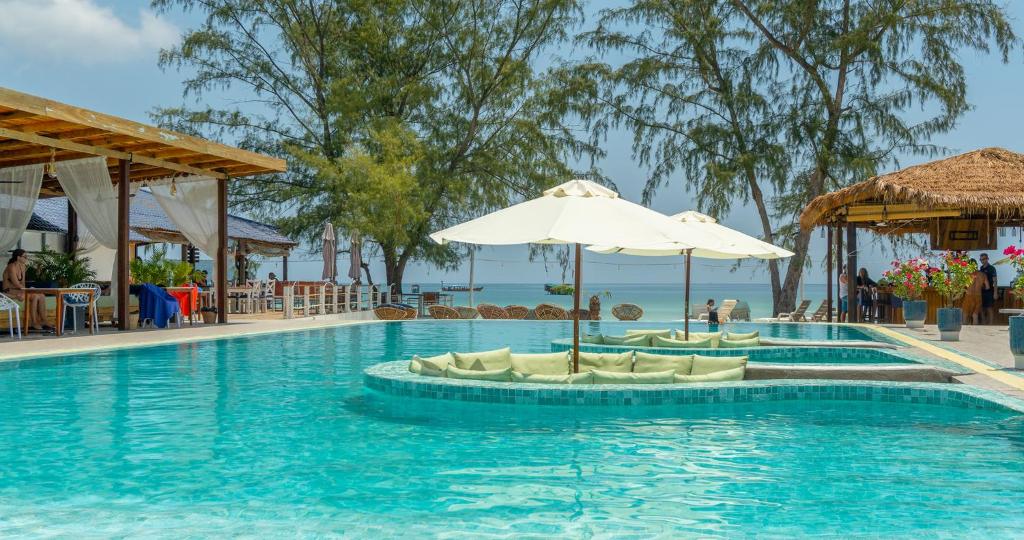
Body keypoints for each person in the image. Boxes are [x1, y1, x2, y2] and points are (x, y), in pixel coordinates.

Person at [2, 249, 49, 332]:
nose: (26, 258)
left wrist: (24, 290)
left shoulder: (23, 266)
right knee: (34, 296)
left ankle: (44, 320)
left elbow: (22, 283)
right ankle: (34, 322)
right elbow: (16, 283)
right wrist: (26, 291)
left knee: (41, 295)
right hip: (9, 290)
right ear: (18, 257)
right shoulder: (11, 266)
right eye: (25, 256)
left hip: (18, 289)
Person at [962, 258, 987, 325]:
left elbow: (963, 286)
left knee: (965, 315)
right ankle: (975, 333)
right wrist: (980, 286)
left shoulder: (966, 275)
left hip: (968, 296)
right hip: (978, 296)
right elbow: (987, 287)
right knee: (975, 315)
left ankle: (965, 334)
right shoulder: (983, 275)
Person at [979, 253, 998, 324]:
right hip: (981, 291)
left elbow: (995, 281)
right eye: (981, 260)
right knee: (982, 309)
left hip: (990, 291)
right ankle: (984, 324)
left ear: (987, 259)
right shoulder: (981, 268)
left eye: (984, 259)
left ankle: (991, 325)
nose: (982, 261)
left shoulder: (992, 268)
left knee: (989, 309)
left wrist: (995, 293)